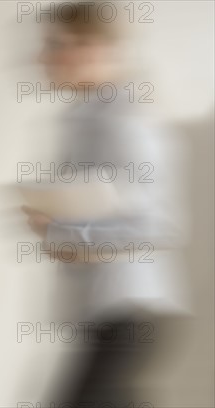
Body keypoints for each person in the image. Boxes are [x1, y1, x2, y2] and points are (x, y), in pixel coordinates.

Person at [21, 2, 189, 406]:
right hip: (106, 312)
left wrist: (66, 232)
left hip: (130, 309)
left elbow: (160, 223)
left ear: (96, 48)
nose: (43, 57)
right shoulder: (86, 115)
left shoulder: (124, 119)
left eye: (57, 45)